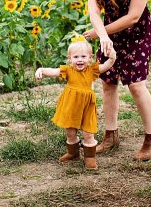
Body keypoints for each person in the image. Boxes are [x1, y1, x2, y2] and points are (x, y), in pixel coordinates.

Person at [82, 0, 151, 161]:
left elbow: (133, 17)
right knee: (108, 82)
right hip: (110, 36)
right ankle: (110, 135)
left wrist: (100, 33)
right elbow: (94, 13)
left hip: (137, 35)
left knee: (136, 85)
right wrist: (105, 36)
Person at [35, 39, 117, 169]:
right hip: (71, 105)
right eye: (76, 57)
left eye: (83, 56)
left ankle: (90, 157)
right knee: (70, 132)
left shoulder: (92, 70)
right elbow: (53, 71)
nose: (80, 60)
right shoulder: (68, 70)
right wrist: (41, 70)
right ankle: (73, 153)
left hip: (87, 107)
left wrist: (112, 56)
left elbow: (107, 65)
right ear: (70, 58)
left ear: (90, 57)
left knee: (88, 133)